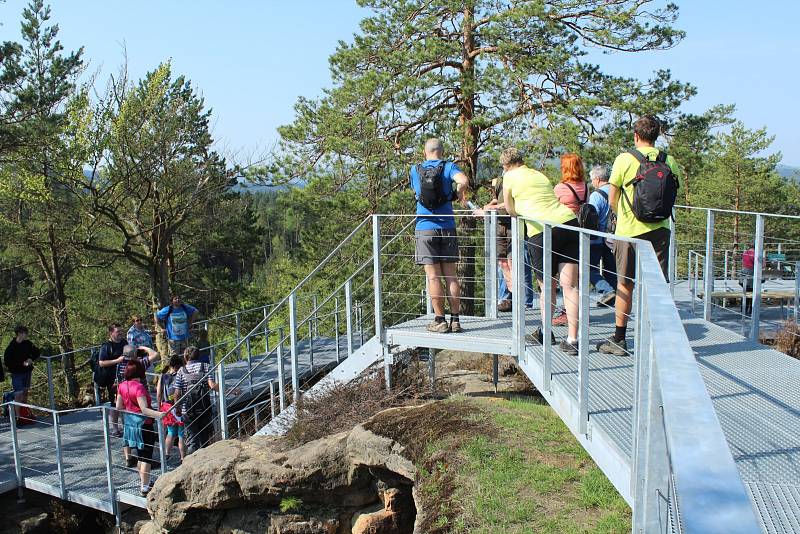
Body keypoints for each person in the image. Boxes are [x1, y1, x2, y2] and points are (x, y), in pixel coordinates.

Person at [597, 115, 680, 356]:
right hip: (661, 230)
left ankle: (619, 339)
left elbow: (612, 198)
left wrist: (621, 216)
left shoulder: (625, 159)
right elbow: (673, 194)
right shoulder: (669, 160)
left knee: (625, 284)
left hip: (629, 232)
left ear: (635, 135)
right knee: (657, 287)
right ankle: (658, 340)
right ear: (657, 135)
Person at [501, 148, 582, 356]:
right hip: (568, 223)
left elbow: (511, 210)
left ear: (505, 165)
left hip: (541, 230)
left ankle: (546, 333)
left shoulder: (508, 177)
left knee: (547, 286)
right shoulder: (538, 174)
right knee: (570, 286)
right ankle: (573, 339)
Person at [410, 138, 470, 333]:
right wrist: (459, 193)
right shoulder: (448, 166)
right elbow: (463, 180)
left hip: (425, 227)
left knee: (433, 277)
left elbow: (417, 192)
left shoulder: (415, 169)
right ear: (441, 152)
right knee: (451, 275)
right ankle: (456, 320)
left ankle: (439, 320)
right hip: (447, 226)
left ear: (424, 152)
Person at [479, 176, 535, 313]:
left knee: (519, 262)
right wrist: (487, 207)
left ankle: (525, 301)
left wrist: (494, 207)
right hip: (499, 224)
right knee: (502, 263)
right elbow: (496, 199)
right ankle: (506, 299)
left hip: (515, 224)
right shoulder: (499, 180)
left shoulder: (520, 180)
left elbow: (515, 203)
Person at [115, 359, 163, 496]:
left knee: (139, 455)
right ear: (139, 371)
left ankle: (144, 481)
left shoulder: (122, 385)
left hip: (130, 425)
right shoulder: (139, 387)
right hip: (144, 425)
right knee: (146, 457)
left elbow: (119, 407)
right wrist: (161, 414)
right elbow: (144, 409)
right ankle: (145, 487)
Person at [173, 345, 219, 455]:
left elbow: (177, 393)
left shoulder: (181, 371)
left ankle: (190, 465)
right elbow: (212, 385)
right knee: (205, 441)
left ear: (185, 357)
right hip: (205, 408)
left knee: (192, 442)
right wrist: (227, 390)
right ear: (199, 356)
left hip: (188, 411)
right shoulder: (206, 366)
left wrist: (177, 407)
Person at [587, 165, 618, 305]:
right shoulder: (617, 191)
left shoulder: (596, 195)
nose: (591, 182)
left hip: (598, 237)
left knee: (587, 267)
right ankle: (613, 297)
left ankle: (607, 291)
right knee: (611, 268)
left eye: (592, 179)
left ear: (597, 179)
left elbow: (592, 217)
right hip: (615, 236)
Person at [4, 326, 40, 424]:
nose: (26, 335)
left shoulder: (28, 344)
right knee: (18, 395)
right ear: (20, 333)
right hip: (17, 374)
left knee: (25, 394)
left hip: (27, 372)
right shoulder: (11, 347)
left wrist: (30, 359)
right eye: (25, 333)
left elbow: (37, 352)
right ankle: (17, 417)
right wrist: (21, 363)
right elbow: (7, 362)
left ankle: (25, 415)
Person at [156, 354, 186, 462]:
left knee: (171, 432)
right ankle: (183, 457)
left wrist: (159, 406)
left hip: (166, 407)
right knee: (181, 434)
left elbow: (159, 393)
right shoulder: (180, 375)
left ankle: (166, 454)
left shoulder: (163, 376)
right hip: (178, 406)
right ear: (178, 366)